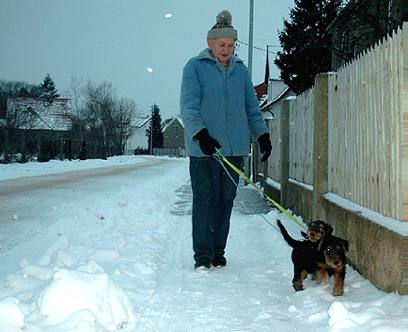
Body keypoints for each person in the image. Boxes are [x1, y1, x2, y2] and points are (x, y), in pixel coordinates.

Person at [180, 9, 272, 270]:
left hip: (233, 150)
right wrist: (200, 134)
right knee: (205, 201)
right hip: (203, 150)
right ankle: (203, 256)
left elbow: (251, 107)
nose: (227, 50)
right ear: (210, 43)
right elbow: (189, 106)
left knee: (225, 201)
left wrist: (262, 135)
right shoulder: (195, 68)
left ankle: (218, 250)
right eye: (222, 44)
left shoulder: (240, 71)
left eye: (231, 45)